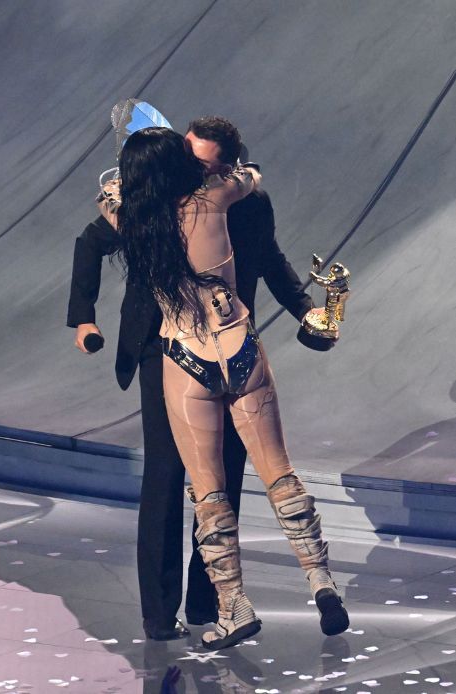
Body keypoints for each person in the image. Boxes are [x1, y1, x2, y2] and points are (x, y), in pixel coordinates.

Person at [95, 126, 347, 650]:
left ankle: (233, 607)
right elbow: (251, 176)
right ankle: (321, 580)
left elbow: (108, 203)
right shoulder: (216, 198)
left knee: (208, 492)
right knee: (280, 473)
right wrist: (236, 172)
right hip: (241, 348)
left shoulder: (133, 219)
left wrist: (119, 187)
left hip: (186, 359)